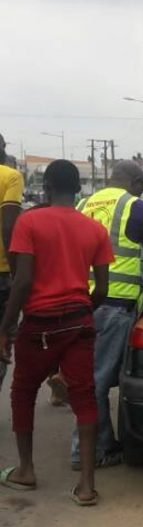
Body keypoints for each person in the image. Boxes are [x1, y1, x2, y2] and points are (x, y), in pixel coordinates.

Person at [0, 160, 112, 506]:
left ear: (45, 188)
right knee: (85, 397)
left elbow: (22, 282)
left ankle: (26, 470)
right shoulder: (94, 229)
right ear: (79, 190)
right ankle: (87, 486)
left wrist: (6, 328)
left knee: (22, 392)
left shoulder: (29, 222)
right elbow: (103, 289)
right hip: (78, 322)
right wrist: (79, 311)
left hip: (39, 323)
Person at [71, 160, 143, 470]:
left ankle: (98, 444)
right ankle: (91, 450)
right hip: (115, 305)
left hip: (81, 301)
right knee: (96, 381)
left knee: (86, 376)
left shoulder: (83, 203)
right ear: (136, 182)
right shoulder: (135, 207)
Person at [0, 133, 23, 389]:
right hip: (2, 273)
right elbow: (8, 227)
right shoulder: (10, 176)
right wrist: (18, 273)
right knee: (3, 338)